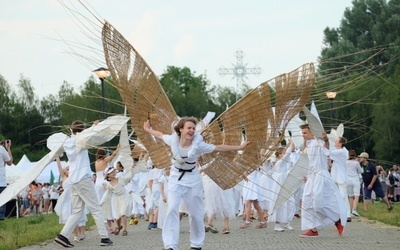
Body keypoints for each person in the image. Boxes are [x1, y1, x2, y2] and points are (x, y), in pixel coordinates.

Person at [143, 117, 250, 250]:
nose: (192, 130)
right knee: (172, 209)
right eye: (189, 128)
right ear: (181, 129)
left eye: (193, 128)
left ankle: (196, 244)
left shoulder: (199, 144)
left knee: (195, 213)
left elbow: (218, 148)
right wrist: (147, 129)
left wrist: (239, 147)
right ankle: (170, 245)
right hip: (175, 178)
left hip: (193, 179)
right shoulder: (172, 140)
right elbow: (159, 135)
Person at [54, 120, 113, 248]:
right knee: (96, 208)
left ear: (71, 130)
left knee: (77, 211)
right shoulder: (80, 141)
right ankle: (104, 237)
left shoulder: (68, 142)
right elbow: (91, 136)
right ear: (82, 130)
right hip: (83, 178)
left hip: (73, 180)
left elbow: (85, 135)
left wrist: (91, 127)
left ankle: (62, 236)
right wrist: (96, 126)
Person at [299, 124, 347, 237]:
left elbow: (326, 146)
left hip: (321, 175)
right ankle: (313, 229)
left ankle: (337, 219)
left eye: (305, 133)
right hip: (311, 176)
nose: (303, 135)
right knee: (307, 203)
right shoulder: (309, 143)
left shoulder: (319, 142)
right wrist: (307, 175)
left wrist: (325, 138)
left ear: (312, 132)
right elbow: (304, 152)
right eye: (302, 133)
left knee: (318, 204)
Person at [95, 146, 119, 234]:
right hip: (104, 181)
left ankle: (107, 224)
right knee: (109, 202)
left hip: (97, 183)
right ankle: (113, 220)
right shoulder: (104, 160)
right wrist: (118, 148)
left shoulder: (96, 162)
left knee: (102, 203)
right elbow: (113, 155)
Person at [329, 137, 351, 221]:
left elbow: (328, 152)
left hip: (341, 177)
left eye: (336, 141)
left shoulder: (342, 151)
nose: (335, 142)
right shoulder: (340, 152)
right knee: (338, 196)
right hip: (336, 177)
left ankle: (347, 214)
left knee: (343, 196)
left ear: (340, 144)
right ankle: (340, 213)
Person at [346, 150, 363, 217]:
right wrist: (358, 161)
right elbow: (360, 171)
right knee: (356, 195)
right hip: (355, 180)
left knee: (350, 196)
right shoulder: (356, 163)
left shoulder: (345, 162)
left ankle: (350, 211)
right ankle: (354, 209)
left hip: (347, 180)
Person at [0, 139, 13, 220]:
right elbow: (10, 162)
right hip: (1, 181)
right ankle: (1, 218)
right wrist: (8, 148)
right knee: (1, 200)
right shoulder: (1, 149)